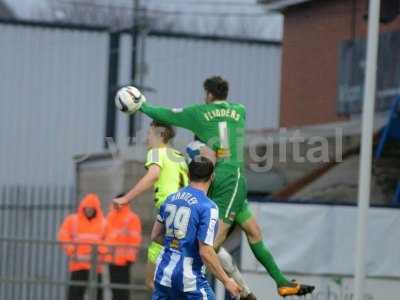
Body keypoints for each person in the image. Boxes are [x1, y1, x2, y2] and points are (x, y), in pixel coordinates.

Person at [136, 76, 315, 297]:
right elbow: (226, 131)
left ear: (209, 95)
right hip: (235, 176)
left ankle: (280, 282)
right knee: (224, 242)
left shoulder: (199, 112)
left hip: (225, 178)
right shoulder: (240, 110)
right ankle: (221, 287)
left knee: (236, 237)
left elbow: (164, 114)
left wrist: (142, 104)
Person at [151, 156, 241, 300]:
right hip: (189, 279)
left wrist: (178, 245)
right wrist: (227, 280)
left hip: (164, 274)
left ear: (188, 174)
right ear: (212, 177)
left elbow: (155, 235)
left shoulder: (170, 199)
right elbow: (205, 250)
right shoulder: (208, 207)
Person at [113, 121, 189, 289]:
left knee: (156, 247)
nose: (146, 138)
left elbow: (153, 175)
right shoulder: (179, 155)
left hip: (169, 207)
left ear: (160, 135)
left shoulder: (156, 152)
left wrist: (126, 198)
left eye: (149, 134)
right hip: (186, 209)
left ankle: (153, 285)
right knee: (177, 252)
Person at [58, 193, 107, 300]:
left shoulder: (104, 223)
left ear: (96, 209)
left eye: (91, 208)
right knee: (75, 294)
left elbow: (109, 241)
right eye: (87, 208)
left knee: (97, 295)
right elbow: (63, 236)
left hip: (95, 266)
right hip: (78, 265)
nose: (89, 210)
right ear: (83, 208)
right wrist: (71, 251)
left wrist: (100, 252)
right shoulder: (73, 220)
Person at [104, 196, 142, 300]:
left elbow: (135, 239)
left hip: (124, 260)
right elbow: (106, 236)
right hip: (111, 259)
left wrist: (130, 258)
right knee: (114, 289)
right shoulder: (110, 216)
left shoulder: (132, 218)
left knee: (123, 291)